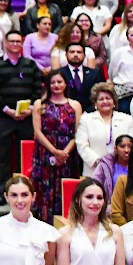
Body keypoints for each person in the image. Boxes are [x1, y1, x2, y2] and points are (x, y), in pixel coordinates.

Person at [0, 29, 43, 202]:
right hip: (5, 117)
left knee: (24, 155)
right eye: (12, 41)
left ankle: (24, 193)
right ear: (5, 43)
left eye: (18, 41)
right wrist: (7, 110)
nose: (15, 44)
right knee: (3, 156)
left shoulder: (30, 65)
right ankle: (3, 193)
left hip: (26, 118)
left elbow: (38, 89)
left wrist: (31, 109)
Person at [29, 70, 83, 222]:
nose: (56, 85)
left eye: (59, 82)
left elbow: (78, 133)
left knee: (64, 187)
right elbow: (37, 132)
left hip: (68, 153)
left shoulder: (75, 105)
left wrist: (64, 152)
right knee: (45, 189)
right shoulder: (40, 104)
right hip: (45, 152)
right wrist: (54, 151)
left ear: (66, 84)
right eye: (53, 82)